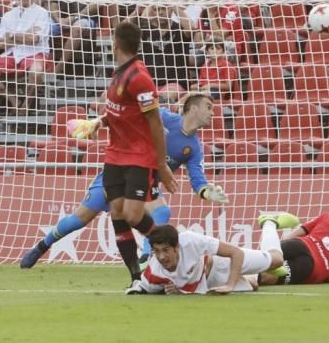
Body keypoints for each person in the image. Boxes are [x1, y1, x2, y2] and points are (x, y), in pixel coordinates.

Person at [20, 92, 228, 269]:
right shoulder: (163, 117)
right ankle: (42, 246)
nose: (213, 112)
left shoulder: (194, 148)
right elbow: (127, 115)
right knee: (78, 220)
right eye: (208, 107)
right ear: (192, 108)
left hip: (145, 184)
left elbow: (198, 180)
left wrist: (207, 192)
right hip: (119, 172)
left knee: (161, 211)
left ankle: (146, 259)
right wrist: (97, 123)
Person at [93, 21, 179, 291]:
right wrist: (102, 121)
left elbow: (154, 120)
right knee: (117, 213)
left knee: (132, 215)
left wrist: (161, 164)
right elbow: (123, 111)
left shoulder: (139, 76)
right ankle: (136, 278)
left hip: (138, 157)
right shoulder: (119, 73)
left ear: (116, 44)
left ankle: (175, 247)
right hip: (114, 155)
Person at [138, 223, 283, 294]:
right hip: (210, 283)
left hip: (221, 263)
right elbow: (143, 288)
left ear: (177, 247)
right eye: (156, 251)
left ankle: (269, 222)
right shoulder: (153, 272)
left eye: (166, 250)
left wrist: (230, 286)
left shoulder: (190, 240)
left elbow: (236, 253)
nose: (161, 257)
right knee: (254, 287)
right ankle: (251, 276)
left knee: (277, 260)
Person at [0, 0, 53, 114]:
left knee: (36, 71)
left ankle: (26, 105)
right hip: (12, 54)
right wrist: (23, 35)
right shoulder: (8, 15)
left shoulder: (42, 12)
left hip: (35, 52)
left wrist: (10, 36)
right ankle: (13, 100)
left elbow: (33, 40)